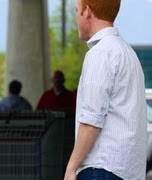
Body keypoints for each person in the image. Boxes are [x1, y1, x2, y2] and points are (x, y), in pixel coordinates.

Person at [64, 0, 146, 180]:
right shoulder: (127, 53)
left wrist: (71, 167)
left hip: (101, 168)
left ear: (87, 12)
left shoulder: (100, 53)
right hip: (127, 171)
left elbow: (92, 119)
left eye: (77, 10)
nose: (76, 16)